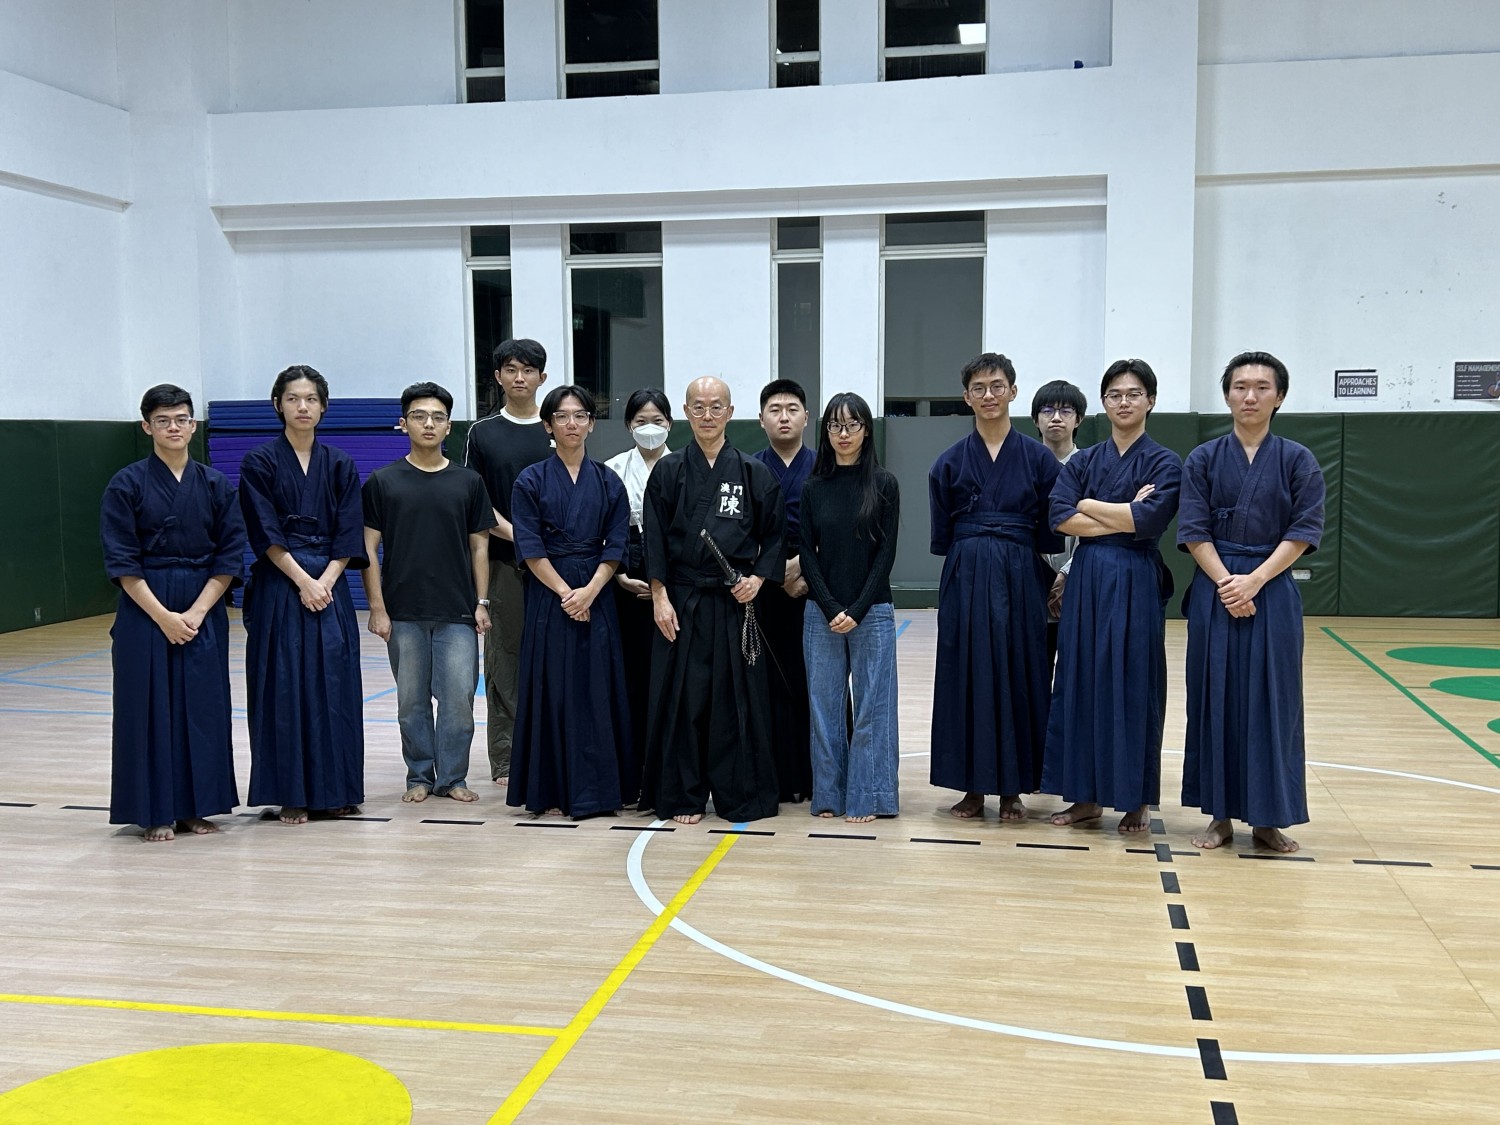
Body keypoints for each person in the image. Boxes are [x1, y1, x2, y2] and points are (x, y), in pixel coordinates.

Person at [1179, 351, 1324, 853]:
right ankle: (1219, 816)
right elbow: (1193, 530)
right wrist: (1228, 584)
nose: (1250, 396)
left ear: (1279, 397)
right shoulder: (1203, 459)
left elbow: (1304, 530)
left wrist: (1255, 581)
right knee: (1213, 697)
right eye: (1240, 386)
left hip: (1273, 589)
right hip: (1215, 588)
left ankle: (1268, 818)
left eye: (1262, 387)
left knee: (1273, 701)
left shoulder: (1298, 460)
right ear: (1227, 396)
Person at [100, 384, 247, 842]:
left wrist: (198, 612)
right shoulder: (126, 484)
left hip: (203, 603)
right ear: (147, 427)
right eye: (162, 421)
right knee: (147, 707)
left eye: (181, 419)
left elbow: (229, 556)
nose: (173, 427)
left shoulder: (215, 485)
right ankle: (154, 811)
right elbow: (122, 562)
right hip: (146, 606)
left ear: (193, 424)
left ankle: (196, 809)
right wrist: (164, 616)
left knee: (202, 707)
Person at [1043, 359, 1182, 834]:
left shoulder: (1165, 462)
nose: (1124, 402)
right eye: (1115, 395)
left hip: (1137, 576)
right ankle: (1084, 798)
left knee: (1133, 681)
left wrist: (1088, 505)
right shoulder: (1085, 461)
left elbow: (1150, 520)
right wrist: (1121, 511)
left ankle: (1135, 799)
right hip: (1087, 579)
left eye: (1133, 394)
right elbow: (1059, 516)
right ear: (1104, 403)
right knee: (1080, 679)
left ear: (1151, 401)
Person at [641, 376, 785, 824]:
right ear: (686, 413)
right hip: (682, 601)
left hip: (732, 601)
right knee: (684, 700)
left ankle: (738, 794)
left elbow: (775, 535)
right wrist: (659, 596)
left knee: (733, 701)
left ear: (730, 412)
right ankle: (683, 795)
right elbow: (653, 540)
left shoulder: (752, 472)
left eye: (716, 406)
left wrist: (757, 579)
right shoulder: (668, 471)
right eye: (699, 407)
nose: (707, 415)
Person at [929, 353, 1062, 821]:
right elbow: (943, 537)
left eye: (997, 386)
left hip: (1020, 571)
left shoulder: (1040, 460)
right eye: (979, 388)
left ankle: (1013, 789)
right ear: (966, 397)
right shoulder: (947, 463)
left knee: (1020, 671)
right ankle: (972, 787)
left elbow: (1049, 533)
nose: (989, 395)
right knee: (965, 672)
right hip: (965, 573)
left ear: (1013, 392)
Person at [239, 365, 368, 825]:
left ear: (323, 406)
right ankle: (289, 792)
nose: (303, 407)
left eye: (311, 399)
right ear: (278, 405)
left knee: (335, 686)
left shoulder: (340, 463)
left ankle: (335, 791)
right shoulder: (259, 462)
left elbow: (349, 531)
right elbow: (264, 531)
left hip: (329, 585)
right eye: (293, 398)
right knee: (283, 686)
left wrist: (326, 580)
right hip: (282, 583)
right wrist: (303, 581)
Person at [363, 382, 496, 804]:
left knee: (458, 701)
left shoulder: (468, 482)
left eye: (438, 417)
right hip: (403, 612)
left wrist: (482, 602)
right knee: (411, 703)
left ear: (448, 426)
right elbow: (368, 548)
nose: (428, 424)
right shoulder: (383, 482)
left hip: (458, 611)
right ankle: (419, 775)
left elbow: (480, 547)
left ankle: (452, 778)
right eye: (419, 416)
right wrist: (377, 607)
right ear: (403, 424)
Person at [508, 385, 635, 818]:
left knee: (597, 687)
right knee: (553, 688)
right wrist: (567, 593)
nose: (571, 424)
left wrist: (591, 591)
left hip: (597, 594)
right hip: (550, 597)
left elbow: (616, 543)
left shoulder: (608, 480)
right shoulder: (530, 480)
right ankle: (551, 789)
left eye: (580, 415)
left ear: (591, 424)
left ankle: (603, 790)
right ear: (548, 425)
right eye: (562, 417)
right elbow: (529, 546)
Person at [799, 392, 901, 824]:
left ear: (866, 430)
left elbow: (885, 555)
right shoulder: (813, 487)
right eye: (835, 426)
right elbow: (807, 553)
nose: (844, 434)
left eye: (853, 425)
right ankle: (829, 795)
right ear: (825, 432)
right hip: (820, 612)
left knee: (873, 708)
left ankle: (869, 797)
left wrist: (857, 609)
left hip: (872, 611)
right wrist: (828, 605)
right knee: (824, 710)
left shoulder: (884, 484)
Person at [463, 338, 553, 788]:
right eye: (511, 369)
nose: (520, 377)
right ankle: (506, 758)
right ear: (498, 377)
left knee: (553, 660)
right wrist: (525, 540)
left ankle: (550, 751)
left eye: (528, 369)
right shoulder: (482, 433)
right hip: (504, 565)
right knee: (504, 662)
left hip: (557, 570)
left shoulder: (557, 426)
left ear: (542, 377)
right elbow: (477, 502)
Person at [604, 387, 673, 793]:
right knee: (630, 680)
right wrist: (617, 575)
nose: (650, 428)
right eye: (641, 421)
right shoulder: (612, 469)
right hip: (625, 579)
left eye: (657, 421)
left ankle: (666, 772)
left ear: (670, 424)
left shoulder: (682, 467)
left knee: (668, 680)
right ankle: (631, 775)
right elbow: (604, 531)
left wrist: (664, 583)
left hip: (672, 584)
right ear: (629, 425)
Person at [753, 378, 816, 804]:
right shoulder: (748, 467)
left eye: (792, 409)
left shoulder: (824, 466)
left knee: (814, 682)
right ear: (761, 420)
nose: (784, 417)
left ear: (806, 418)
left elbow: (837, 530)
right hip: (763, 590)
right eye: (774, 410)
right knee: (768, 683)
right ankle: (773, 777)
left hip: (815, 588)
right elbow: (740, 533)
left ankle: (814, 777)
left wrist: (805, 569)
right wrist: (777, 571)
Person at [1030, 380, 1088, 671]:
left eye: (1065, 411)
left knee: (1075, 677)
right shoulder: (1023, 465)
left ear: (1078, 419)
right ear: (1035, 420)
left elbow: (1095, 530)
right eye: (1047, 410)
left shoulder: (1091, 466)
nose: (1056, 418)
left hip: (1079, 586)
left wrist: (1067, 575)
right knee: (1034, 677)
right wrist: (1044, 579)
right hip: (1032, 587)